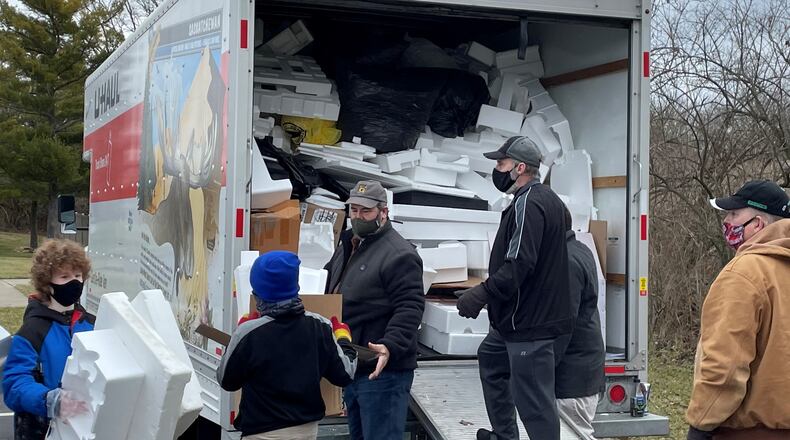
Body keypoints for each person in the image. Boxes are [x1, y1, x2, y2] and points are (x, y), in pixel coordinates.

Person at [456, 136, 572, 440]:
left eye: (501, 163)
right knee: (491, 358)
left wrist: (481, 293)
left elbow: (520, 263)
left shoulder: (529, 202)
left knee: (535, 406)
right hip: (517, 323)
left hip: (529, 325)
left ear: (520, 167)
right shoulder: (545, 199)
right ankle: (505, 435)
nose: (497, 169)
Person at [686, 180, 790, 440]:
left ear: (757, 224)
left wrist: (700, 425)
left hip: (750, 432)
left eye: (734, 214)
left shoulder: (743, 274)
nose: (727, 221)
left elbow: (726, 366)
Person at [217, 251, 357, 440]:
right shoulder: (320, 326)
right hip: (306, 431)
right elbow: (345, 374)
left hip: (261, 433)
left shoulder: (249, 333)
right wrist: (343, 338)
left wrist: (238, 334)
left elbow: (227, 380)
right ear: (295, 285)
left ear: (257, 292)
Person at [324, 180, 425, 440]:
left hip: (383, 371)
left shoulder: (399, 254)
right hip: (355, 365)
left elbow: (410, 307)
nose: (358, 217)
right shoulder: (350, 244)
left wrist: (390, 345)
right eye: (354, 211)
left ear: (384, 212)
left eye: (365, 212)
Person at [3, 239, 94, 439]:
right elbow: (13, 384)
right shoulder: (32, 331)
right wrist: (50, 401)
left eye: (78, 275)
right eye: (64, 276)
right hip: (39, 429)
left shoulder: (91, 324)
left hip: (81, 428)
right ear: (47, 284)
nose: (74, 282)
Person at [554, 205, 605, 440]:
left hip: (571, 378)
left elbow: (563, 322)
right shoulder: (580, 248)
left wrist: (541, 367)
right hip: (583, 369)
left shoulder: (565, 261)